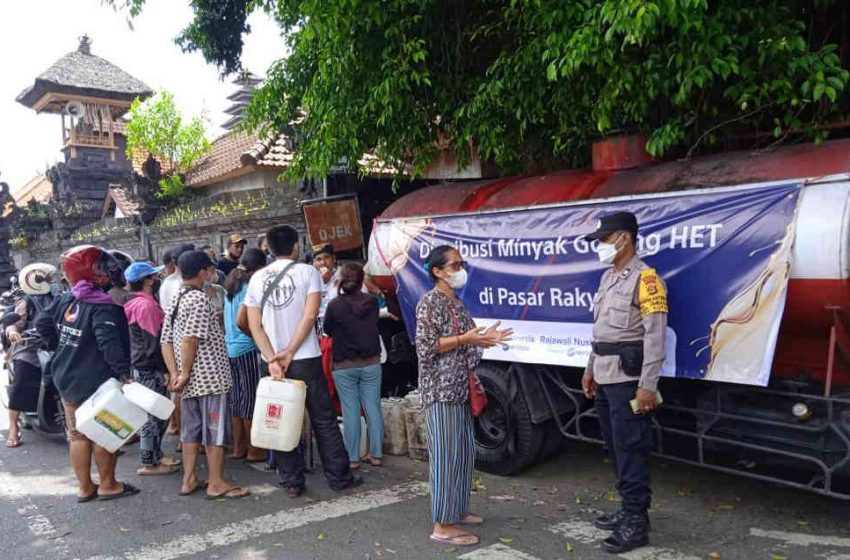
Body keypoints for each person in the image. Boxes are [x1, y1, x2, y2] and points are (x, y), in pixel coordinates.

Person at [245, 225, 359, 498]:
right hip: (306, 357)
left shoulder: (258, 278)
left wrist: (273, 357)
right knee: (323, 418)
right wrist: (290, 351)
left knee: (281, 420)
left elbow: (254, 324)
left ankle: (292, 482)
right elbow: (310, 318)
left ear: (269, 249)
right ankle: (339, 477)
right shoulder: (308, 272)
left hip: (271, 363)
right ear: (296, 245)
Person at [581, 211, 667, 554]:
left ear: (624, 238)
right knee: (616, 448)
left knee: (631, 449)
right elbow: (601, 332)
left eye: (604, 239)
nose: (600, 246)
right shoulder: (607, 278)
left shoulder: (646, 280)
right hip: (604, 375)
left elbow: (655, 337)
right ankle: (626, 510)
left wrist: (648, 385)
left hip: (629, 381)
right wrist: (589, 369)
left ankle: (636, 522)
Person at [415, 245, 512, 547]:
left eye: (461, 264)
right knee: (445, 457)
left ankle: (457, 510)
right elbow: (426, 346)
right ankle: (442, 525)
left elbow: (468, 339)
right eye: (455, 265)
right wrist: (466, 339)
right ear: (438, 271)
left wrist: (484, 338)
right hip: (440, 391)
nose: (461, 270)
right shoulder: (429, 303)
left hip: (459, 389)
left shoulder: (455, 302)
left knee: (463, 453)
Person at [35, 245, 139, 502]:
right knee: (104, 431)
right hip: (98, 381)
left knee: (77, 434)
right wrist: (125, 376)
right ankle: (108, 485)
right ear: (89, 272)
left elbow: (42, 324)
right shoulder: (103, 306)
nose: (107, 272)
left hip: (66, 377)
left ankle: (85, 487)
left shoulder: (64, 298)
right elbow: (109, 346)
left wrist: (60, 346)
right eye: (100, 268)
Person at [160, 250, 250, 500]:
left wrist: (176, 373)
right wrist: (185, 372)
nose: (212, 274)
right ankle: (216, 482)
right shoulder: (199, 299)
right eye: (209, 270)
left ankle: (189, 479)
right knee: (214, 430)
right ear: (202, 272)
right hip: (209, 378)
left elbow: (166, 341)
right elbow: (191, 339)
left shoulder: (177, 297)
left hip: (188, 383)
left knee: (190, 431)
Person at [323, 262, 383, 469]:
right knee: (373, 407)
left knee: (351, 411)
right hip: (372, 362)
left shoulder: (334, 305)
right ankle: (376, 455)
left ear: (340, 281)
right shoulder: (372, 302)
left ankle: (353, 458)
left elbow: (327, 331)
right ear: (361, 281)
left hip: (344, 364)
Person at [124, 261, 181, 476]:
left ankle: (155, 454)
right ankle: (149, 462)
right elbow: (153, 342)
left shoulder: (138, 302)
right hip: (150, 368)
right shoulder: (145, 306)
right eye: (153, 277)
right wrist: (166, 369)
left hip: (144, 365)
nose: (157, 280)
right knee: (152, 416)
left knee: (160, 413)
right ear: (146, 281)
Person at [4, 263, 58, 448]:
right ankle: (13, 427)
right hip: (29, 347)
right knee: (21, 382)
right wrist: (12, 331)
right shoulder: (25, 302)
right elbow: (16, 322)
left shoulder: (58, 297)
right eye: (47, 278)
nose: (52, 281)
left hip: (54, 346)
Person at [223, 248, 267, 462]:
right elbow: (242, 321)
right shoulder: (250, 287)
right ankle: (254, 450)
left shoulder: (231, 284)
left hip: (231, 349)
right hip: (247, 349)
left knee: (237, 399)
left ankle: (239, 447)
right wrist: (257, 337)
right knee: (250, 398)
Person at [159, 243, 195, 436]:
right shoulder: (186, 285)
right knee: (184, 390)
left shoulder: (166, 283)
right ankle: (186, 433)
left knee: (178, 390)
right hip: (187, 343)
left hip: (173, 340)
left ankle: (181, 431)